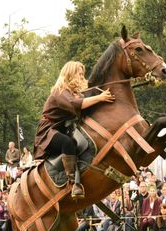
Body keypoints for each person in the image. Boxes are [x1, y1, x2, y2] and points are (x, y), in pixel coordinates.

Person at [33, 61, 115, 199]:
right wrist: (100, 97)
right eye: (79, 74)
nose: (82, 77)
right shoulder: (60, 91)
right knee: (67, 142)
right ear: (70, 74)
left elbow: (85, 104)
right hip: (48, 131)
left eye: (83, 74)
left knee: (75, 142)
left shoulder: (74, 93)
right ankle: (73, 183)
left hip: (62, 129)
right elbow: (75, 104)